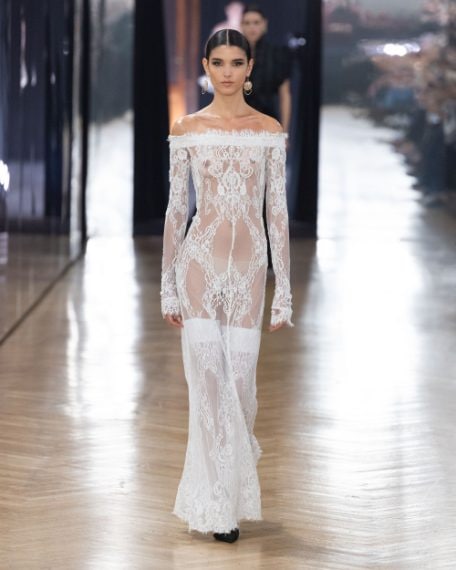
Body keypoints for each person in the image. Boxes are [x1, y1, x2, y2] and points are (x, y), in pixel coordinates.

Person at [160, 28, 293, 543]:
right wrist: (168, 286)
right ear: (206, 66)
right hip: (198, 267)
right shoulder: (188, 129)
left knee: (240, 388)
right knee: (209, 386)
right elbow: (176, 211)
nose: (228, 72)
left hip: (250, 270)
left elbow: (277, 214)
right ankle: (220, 507)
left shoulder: (268, 131)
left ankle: (226, 490)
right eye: (219, 62)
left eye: (237, 62)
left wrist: (284, 291)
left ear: (250, 67)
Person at [241, 5, 292, 135]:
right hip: (238, 125)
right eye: (247, 23)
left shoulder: (277, 54)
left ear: (264, 24)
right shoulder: (234, 56)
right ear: (241, 26)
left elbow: (285, 95)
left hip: (268, 124)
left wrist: (284, 133)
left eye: (256, 22)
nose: (252, 27)